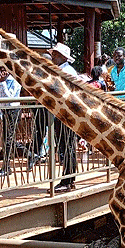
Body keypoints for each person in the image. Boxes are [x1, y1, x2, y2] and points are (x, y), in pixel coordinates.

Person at [48, 43, 78, 193]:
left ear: (63, 57)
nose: (53, 57)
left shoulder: (66, 71)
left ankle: (68, 180)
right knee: (66, 146)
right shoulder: (63, 70)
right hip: (63, 112)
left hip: (67, 113)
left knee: (66, 146)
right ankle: (69, 179)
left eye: (56, 54)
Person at [0, 66, 22, 177]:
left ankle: (6, 167)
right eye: (1, 70)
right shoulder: (5, 80)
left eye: (4, 69)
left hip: (13, 111)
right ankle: (30, 155)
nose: (2, 72)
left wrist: (2, 83)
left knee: (8, 140)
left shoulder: (14, 81)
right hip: (5, 111)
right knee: (8, 139)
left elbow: (10, 98)